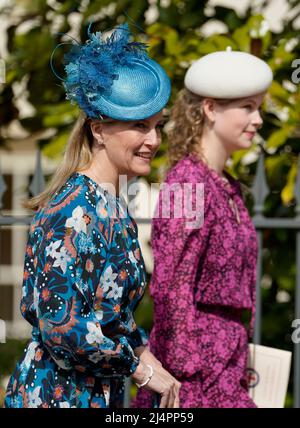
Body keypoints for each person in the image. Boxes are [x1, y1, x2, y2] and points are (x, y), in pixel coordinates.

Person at [4, 23, 181, 409]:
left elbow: (112, 317)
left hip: (99, 393)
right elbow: (61, 325)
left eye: (156, 127)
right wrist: (138, 368)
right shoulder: (74, 210)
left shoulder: (113, 206)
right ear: (99, 130)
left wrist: (142, 351)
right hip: (58, 396)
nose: (153, 140)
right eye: (139, 126)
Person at [133, 48, 273, 408]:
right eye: (247, 107)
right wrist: (188, 377)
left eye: (259, 107)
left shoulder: (224, 184)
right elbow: (169, 284)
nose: (258, 119)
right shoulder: (186, 183)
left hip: (228, 365)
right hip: (197, 376)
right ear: (210, 109)